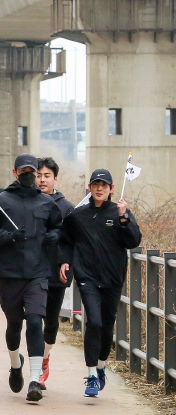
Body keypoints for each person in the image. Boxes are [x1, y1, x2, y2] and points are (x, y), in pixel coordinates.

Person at [0, 154, 62, 402]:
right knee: (14, 325)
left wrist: (54, 237)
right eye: (23, 170)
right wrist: (9, 236)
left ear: (36, 174)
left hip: (37, 274)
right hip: (10, 274)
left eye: (32, 171)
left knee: (35, 322)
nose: (28, 175)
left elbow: (58, 227)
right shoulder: (1, 201)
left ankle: (35, 380)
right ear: (15, 173)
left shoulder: (46, 203)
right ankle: (16, 364)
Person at [59, 168, 141, 398]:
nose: (99, 188)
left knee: (106, 327)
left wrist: (124, 219)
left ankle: (101, 366)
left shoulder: (120, 212)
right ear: (90, 188)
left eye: (104, 185)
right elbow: (66, 240)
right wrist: (65, 261)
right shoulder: (78, 215)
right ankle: (91, 376)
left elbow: (133, 241)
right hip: (87, 278)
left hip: (113, 279)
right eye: (95, 184)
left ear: (111, 189)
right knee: (93, 322)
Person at [33, 157, 74, 390]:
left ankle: (45, 357)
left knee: (50, 320)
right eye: (38, 175)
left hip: (56, 271)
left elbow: (72, 240)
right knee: (32, 320)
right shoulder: (26, 202)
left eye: (46, 175)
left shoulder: (66, 206)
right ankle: (35, 367)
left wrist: (66, 261)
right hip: (30, 271)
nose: (41, 180)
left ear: (55, 178)